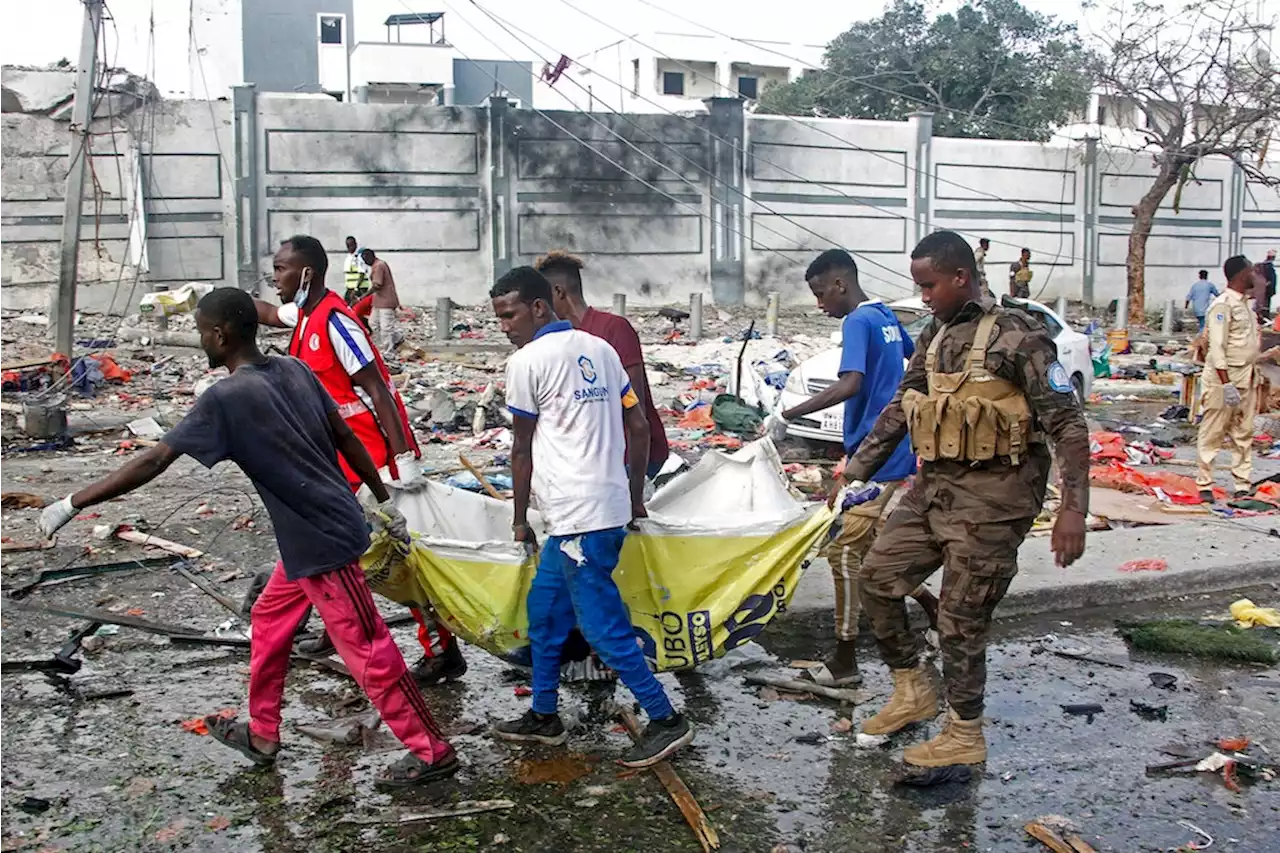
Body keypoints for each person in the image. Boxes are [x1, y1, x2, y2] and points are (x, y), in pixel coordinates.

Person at [38, 288, 456, 788]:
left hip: (323, 540)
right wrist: (380, 499)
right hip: (309, 536)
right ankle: (261, 733)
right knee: (270, 618)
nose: (200, 342)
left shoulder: (226, 397)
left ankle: (432, 752)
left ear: (221, 334)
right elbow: (345, 436)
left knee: (368, 650)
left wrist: (71, 503)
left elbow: (152, 462)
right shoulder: (295, 369)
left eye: (201, 332)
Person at [838, 230, 1089, 767]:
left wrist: (1073, 509)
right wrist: (855, 471)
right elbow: (904, 405)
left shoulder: (1022, 337)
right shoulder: (935, 335)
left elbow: (1068, 424)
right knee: (878, 578)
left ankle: (964, 733)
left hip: (998, 499)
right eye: (918, 285)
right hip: (936, 489)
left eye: (929, 285)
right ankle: (912, 690)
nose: (923, 295)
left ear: (960, 277)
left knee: (961, 618)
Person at [489, 266, 693, 768]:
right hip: (594, 512)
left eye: (509, 314)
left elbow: (521, 449)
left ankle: (666, 719)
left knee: (602, 629)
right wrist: (633, 493)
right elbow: (638, 423)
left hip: (577, 516)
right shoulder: (600, 349)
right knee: (544, 613)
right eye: (497, 317)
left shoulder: (527, 362)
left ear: (539, 307)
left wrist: (519, 518)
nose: (504, 326)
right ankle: (543, 715)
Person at [253, 235, 465, 685]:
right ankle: (340, 629)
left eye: (281, 269)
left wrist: (402, 460)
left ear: (306, 273)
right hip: (338, 463)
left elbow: (378, 389)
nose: (275, 279)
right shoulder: (305, 317)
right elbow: (269, 313)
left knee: (396, 563)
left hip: (371, 464)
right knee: (343, 557)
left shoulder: (336, 321)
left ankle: (442, 650)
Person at [769, 249, 939, 687]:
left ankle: (845, 662)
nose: (821, 304)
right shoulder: (884, 315)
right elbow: (912, 355)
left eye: (822, 293)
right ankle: (936, 612)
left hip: (873, 457)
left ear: (840, 284)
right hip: (891, 449)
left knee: (844, 554)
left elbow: (850, 383)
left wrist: (789, 414)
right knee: (873, 551)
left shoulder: (857, 322)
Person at [538, 250, 669, 481]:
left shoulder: (613, 328)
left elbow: (634, 403)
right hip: (591, 456)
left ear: (558, 292)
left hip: (629, 454)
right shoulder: (561, 339)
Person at [1197, 255, 1262, 502]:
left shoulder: (1246, 304)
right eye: (1251, 271)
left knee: (1243, 432)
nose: (1254, 275)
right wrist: (1225, 383)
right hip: (1224, 380)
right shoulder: (1223, 305)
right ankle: (1204, 484)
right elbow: (1217, 346)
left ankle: (1242, 483)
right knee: (1213, 431)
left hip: (1247, 377)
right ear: (1239, 275)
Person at [359, 248, 401, 363]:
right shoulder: (376, 265)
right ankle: (397, 338)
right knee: (373, 323)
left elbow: (377, 285)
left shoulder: (379, 266)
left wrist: (363, 296)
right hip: (378, 301)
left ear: (370, 256)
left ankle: (389, 352)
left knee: (386, 327)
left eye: (365, 259)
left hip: (386, 301)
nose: (365, 262)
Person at [342, 236, 369, 306]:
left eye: (351, 245)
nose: (349, 248)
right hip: (350, 288)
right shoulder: (349, 257)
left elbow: (362, 274)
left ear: (355, 244)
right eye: (347, 246)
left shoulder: (360, 256)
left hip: (359, 289)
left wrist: (356, 289)